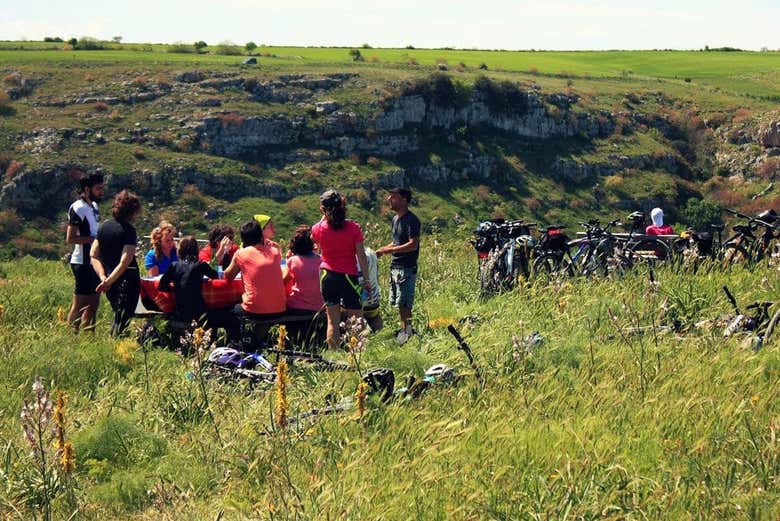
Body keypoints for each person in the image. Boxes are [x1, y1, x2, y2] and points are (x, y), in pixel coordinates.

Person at [311, 190, 371, 350]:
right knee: (356, 319)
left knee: (333, 321)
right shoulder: (353, 228)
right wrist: (366, 279)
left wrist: (324, 215)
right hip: (348, 277)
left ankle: (334, 356)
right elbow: (361, 256)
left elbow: (313, 238)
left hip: (327, 276)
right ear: (343, 205)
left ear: (323, 209)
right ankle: (359, 353)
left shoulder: (318, 228)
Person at [224, 218, 287, 347]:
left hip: (255, 309)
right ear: (260, 235)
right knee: (263, 311)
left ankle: (235, 342)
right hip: (280, 307)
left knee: (229, 311)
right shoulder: (275, 252)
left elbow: (228, 276)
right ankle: (256, 341)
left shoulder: (241, 253)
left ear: (243, 239)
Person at [91, 190, 142, 337]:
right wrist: (109, 281)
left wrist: (103, 277)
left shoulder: (104, 227)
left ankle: (116, 346)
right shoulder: (129, 231)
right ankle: (118, 349)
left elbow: (93, 254)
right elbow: (125, 260)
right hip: (127, 280)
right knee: (122, 320)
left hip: (109, 280)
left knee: (117, 314)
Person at [376, 187, 421, 345]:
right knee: (399, 303)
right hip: (395, 266)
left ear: (403, 200)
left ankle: (408, 332)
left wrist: (389, 250)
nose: (389, 199)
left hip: (406, 267)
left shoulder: (412, 220)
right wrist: (383, 250)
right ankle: (404, 331)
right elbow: (397, 242)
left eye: (393, 197)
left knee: (405, 302)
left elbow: (412, 244)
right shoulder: (396, 219)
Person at [65, 173, 104, 332]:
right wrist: (95, 239)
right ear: (87, 190)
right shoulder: (78, 207)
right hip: (81, 262)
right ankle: (70, 338)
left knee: (93, 304)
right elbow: (71, 237)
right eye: (98, 188)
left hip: (94, 262)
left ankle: (89, 338)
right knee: (79, 304)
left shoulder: (94, 207)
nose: (101, 191)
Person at [158, 236, 218, 326]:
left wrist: (176, 289)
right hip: (199, 313)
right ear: (196, 249)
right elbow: (215, 275)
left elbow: (162, 286)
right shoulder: (201, 265)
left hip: (180, 312)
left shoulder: (174, 266)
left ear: (180, 250)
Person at [283, 225, 326, 349]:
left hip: (298, 306)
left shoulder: (293, 261)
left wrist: (287, 261)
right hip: (319, 306)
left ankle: (290, 343)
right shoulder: (321, 260)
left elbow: (284, 281)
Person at [359, 247, 383, 332]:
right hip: (373, 295)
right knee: (374, 318)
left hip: (360, 297)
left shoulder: (355, 256)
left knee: (357, 322)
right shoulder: (371, 252)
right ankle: (383, 341)